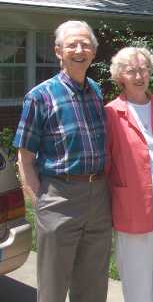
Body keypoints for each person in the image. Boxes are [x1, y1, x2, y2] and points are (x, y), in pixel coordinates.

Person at [13, 20, 111, 302]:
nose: (79, 50)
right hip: (59, 195)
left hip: (98, 196)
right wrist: (39, 201)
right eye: (72, 45)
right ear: (58, 51)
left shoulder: (95, 90)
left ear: (93, 51)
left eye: (85, 44)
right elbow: (25, 157)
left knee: (94, 283)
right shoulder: (40, 96)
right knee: (53, 285)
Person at [104, 47, 153, 302]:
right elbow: (108, 160)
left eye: (143, 69)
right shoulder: (111, 112)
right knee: (136, 267)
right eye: (131, 71)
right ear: (120, 77)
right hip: (132, 198)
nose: (139, 76)